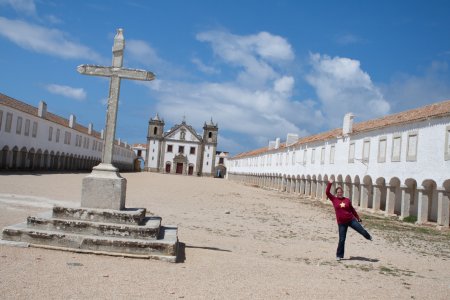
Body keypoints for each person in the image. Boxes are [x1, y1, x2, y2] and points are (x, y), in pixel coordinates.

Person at [326, 179, 372, 261]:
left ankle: (368, 237)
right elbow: (327, 192)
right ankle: (339, 255)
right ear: (336, 193)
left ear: (342, 192)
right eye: (338, 192)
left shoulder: (347, 200)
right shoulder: (334, 199)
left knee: (361, 230)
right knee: (342, 239)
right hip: (341, 223)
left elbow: (352, 209)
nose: (340, 193)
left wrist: (358, 217)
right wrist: (330, 183)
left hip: (351, 220)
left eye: (341, 192)